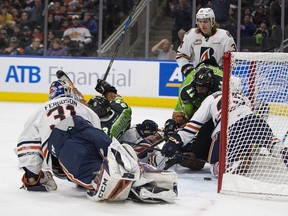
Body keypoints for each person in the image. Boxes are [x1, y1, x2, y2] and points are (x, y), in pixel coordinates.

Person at [16, 73, 177, 203]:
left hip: (63, 141)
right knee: (116, 157)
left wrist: (32, 177)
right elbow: (97, 130)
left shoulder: (40, 111)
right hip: (88, 129)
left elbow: (27, 147)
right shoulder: (79, 105)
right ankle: (144, 172)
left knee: (95, 176)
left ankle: (120, 185)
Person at [161, 90, 278, 176]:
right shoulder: (242, 96)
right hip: (253, 120)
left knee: (214, 167)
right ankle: (280, 149)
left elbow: (191, 128)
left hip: (226, 127)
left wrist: (174, 141)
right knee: (270, 141)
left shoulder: (209, 100)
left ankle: (228, 167)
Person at [88, 79, 164, 167]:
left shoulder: (103, 129)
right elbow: (114, 96)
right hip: (129, 135)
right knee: (147, 129)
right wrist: (107, 89)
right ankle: (161, 138)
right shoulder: (122, 108)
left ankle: (153, 159)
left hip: (121, 148)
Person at [163, 61, 223, 170]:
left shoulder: (221, 85)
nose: (200, 89)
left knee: (208, 135)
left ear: (210, 85)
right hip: (199, 106)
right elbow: (182, 115)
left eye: (203, 87)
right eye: (198, 86)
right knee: (177, 128)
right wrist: (174, 130)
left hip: (216, 111)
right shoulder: (186, 89)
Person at [176, 7, 237, 76]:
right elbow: (181, 55)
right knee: (184, 87)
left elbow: (233, 58)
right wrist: (188, 70)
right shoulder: (191, 35)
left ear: (212, 21)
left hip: (218, 76)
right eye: (200, 21)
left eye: (205, 21)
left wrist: (221, 71)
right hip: (198, 76)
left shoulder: (225, 36)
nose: (202, 25)